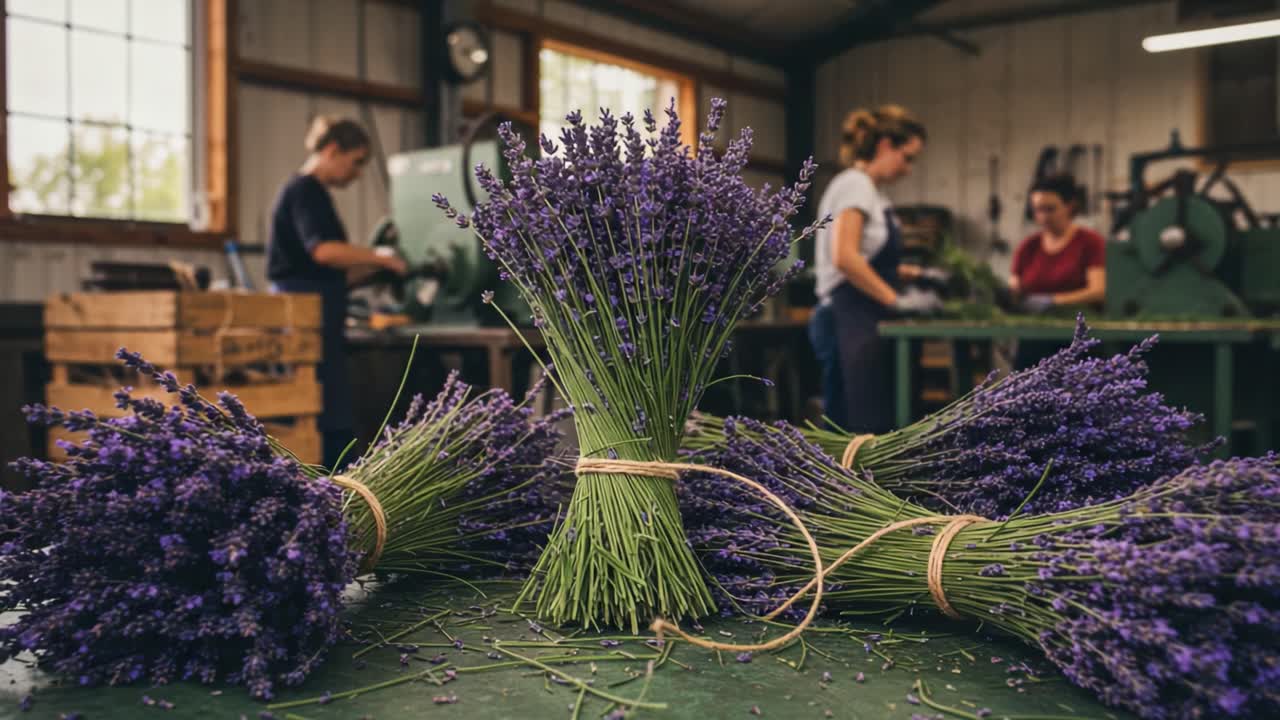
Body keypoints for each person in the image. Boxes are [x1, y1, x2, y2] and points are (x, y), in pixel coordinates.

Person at [267, 116, 407, 470]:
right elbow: (324, 252)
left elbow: (322, 269)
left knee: (330, 409)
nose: (358, 173)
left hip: (319, 314)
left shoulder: (313, 194)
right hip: (303, 319)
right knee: (323, 413)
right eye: (356, 161)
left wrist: (367, 271)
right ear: (332, 151)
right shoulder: (305, 190)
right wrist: (383, 258)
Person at [811, 105, 939, 434]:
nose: (908, 169)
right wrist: (894, 300)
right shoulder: (856, 184)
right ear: (885, 145)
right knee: (856, 429)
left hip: (862, 316)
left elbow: (868, 255)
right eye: (907, 157)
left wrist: (914, 275)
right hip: (847, 318)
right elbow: (845, 258)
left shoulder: (871, 192)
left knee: (872, 427)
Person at [1009, 173, 1106, 368]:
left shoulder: (1089, 242)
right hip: (1034, 338)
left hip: (1077, 338)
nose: (1043, 216)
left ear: (1069, 206)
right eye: (1037, 210)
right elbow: (1015, 288)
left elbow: (1098, 291)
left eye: (1050, 209)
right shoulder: (1029, 246)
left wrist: (1053, 301)